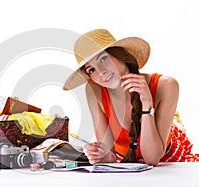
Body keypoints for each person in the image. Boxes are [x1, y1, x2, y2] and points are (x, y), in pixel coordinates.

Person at [63, 28, 199, 166]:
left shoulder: (166, 85)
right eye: (91, 70)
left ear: (121, 55)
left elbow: (152, 159)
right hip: (129, 164)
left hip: (169, 160)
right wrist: (101, 156)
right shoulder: (94, 90)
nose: (101, 71)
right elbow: (110, 155)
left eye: (103, 59)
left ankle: (176, 122)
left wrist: (147, 104)